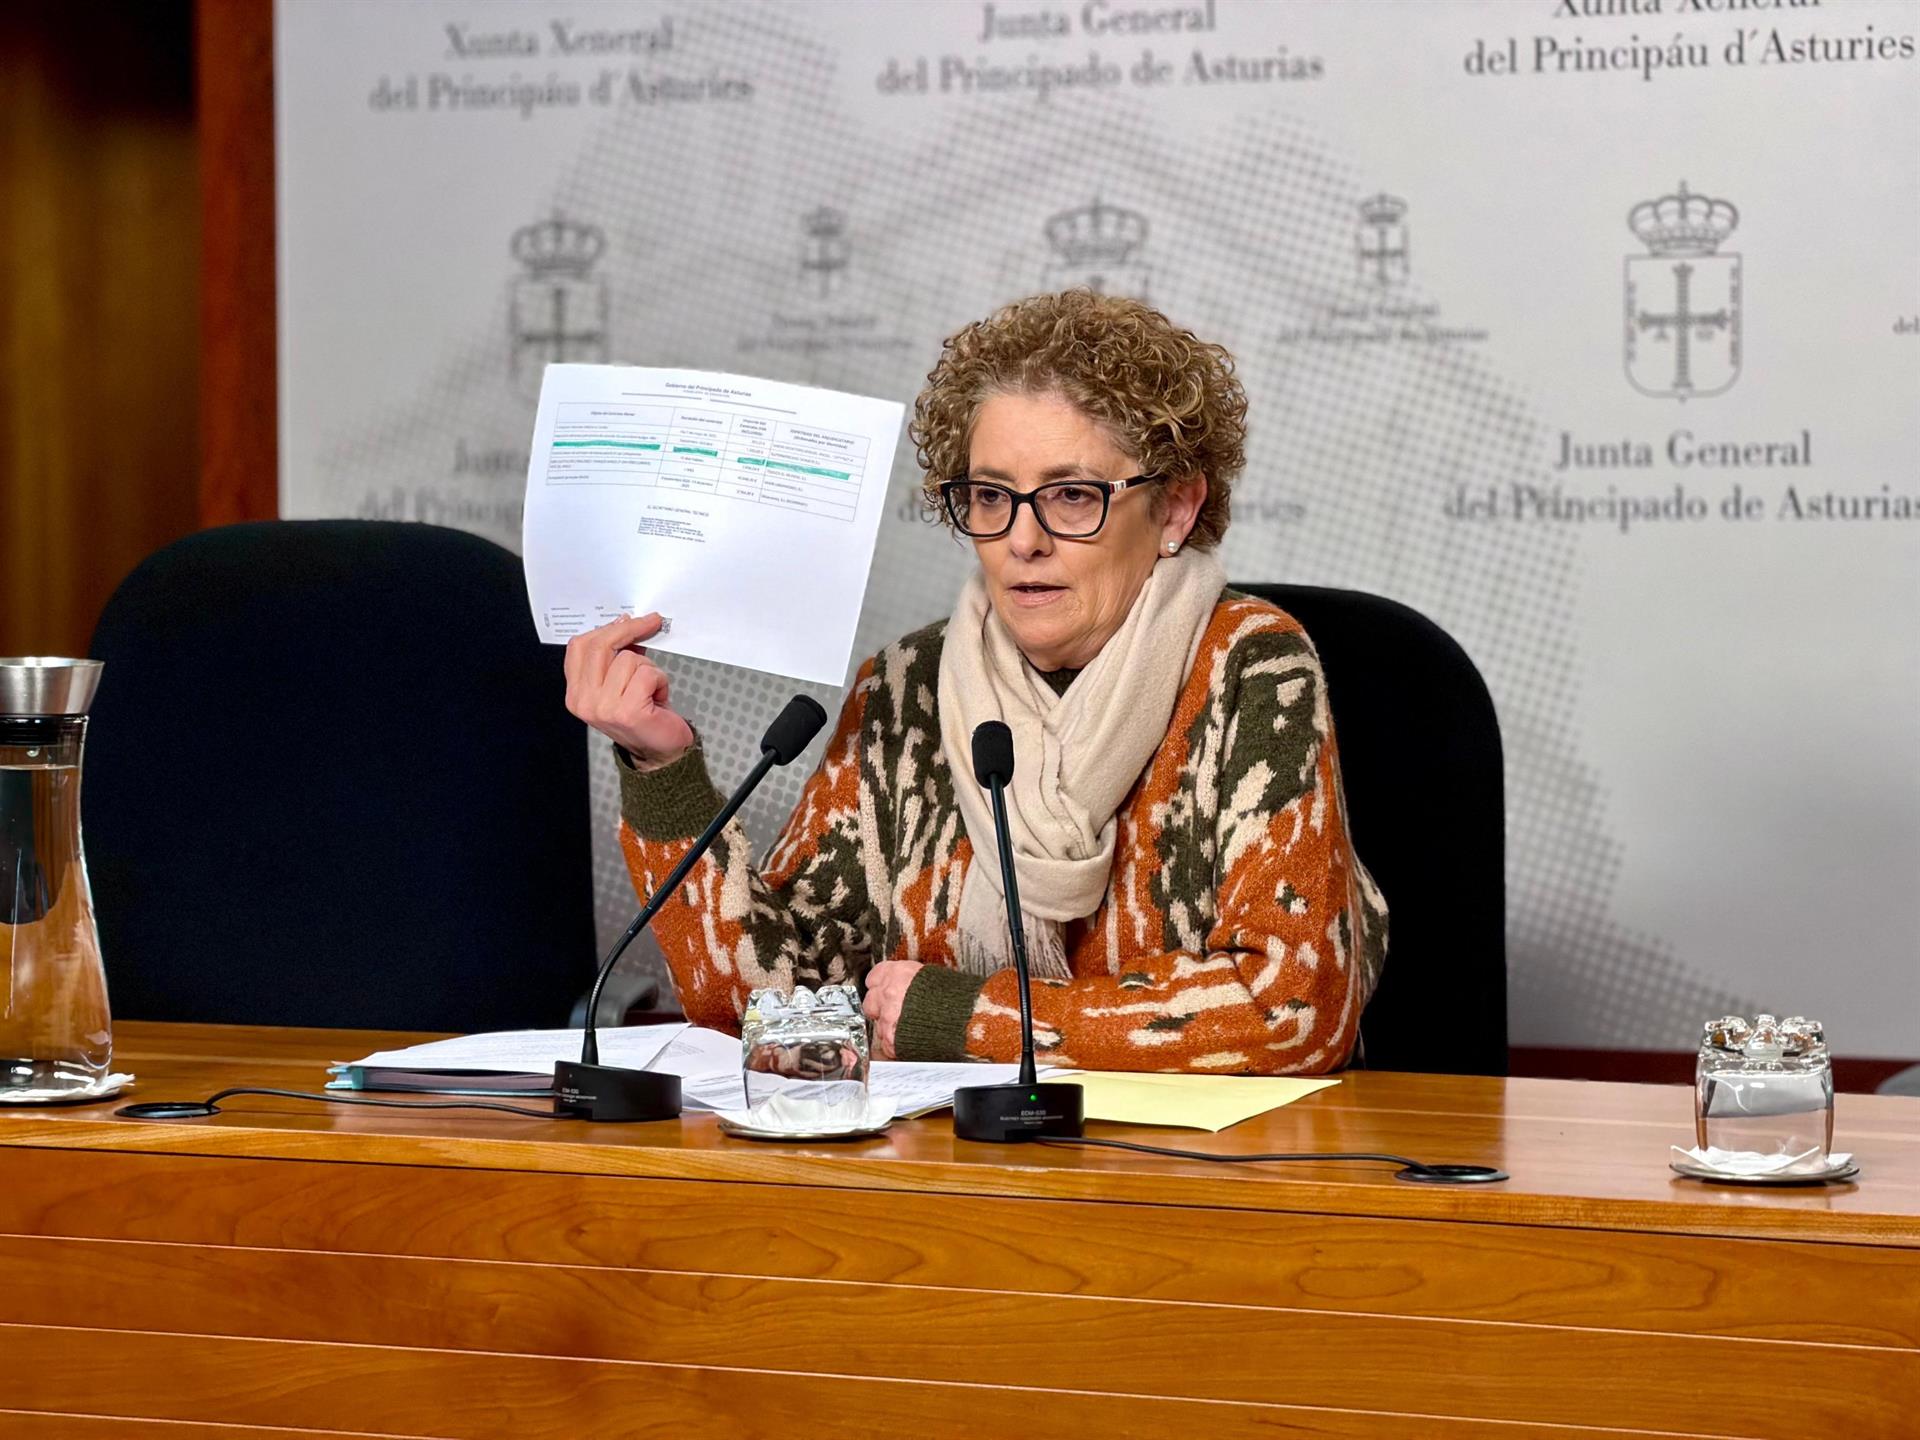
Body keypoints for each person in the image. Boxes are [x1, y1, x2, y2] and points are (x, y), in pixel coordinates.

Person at [564, 290, 1386, 1073]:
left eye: (1071, 496)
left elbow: (1291, 1011)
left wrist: (968, 1020)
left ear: (1174, 509)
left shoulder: (1251, 667)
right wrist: (662, 770)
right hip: (951, 1174)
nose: (1021, 540)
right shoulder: (905, 687)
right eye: (991, 496)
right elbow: (769, 1006)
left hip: (1183, 1188)